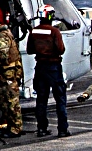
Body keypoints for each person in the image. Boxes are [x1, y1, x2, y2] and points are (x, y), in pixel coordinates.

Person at [27, 8, 69, 137]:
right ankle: (62, 130)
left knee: (41, 100)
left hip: (40, 68)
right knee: (60, 99)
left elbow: (30, 50)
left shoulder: (34, 31)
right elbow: (61, 49)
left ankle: (41, 129)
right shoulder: (54, 31)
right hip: (53, 68)